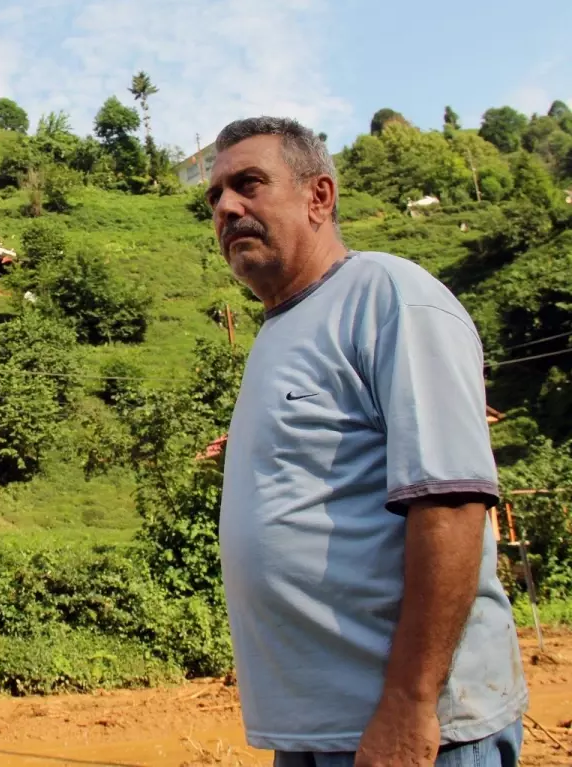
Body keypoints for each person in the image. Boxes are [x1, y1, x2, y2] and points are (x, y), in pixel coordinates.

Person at [207, 117, 528, 767]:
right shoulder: (275, 334)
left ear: (319, 197)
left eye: (248, 184)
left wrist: (410, 703)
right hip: (312, 730)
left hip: (415, 729)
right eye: (214, 197)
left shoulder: (389, 296)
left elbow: (452, 504)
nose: (226, 207)